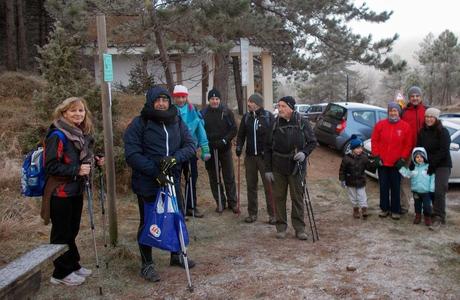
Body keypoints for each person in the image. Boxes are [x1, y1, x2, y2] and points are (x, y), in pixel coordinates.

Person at [124, 86, 196, 282]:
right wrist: (155, 172)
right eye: (158, 100)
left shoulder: (176, 120)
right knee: (148, 220)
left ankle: (176, 255)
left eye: (165, 100)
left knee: (175, 216)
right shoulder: (140, 123)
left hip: (172, 179)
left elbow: (190, 144)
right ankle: (147, 264)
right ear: (151, 102)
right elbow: (132, 154)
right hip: (147, 181)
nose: (162, 104)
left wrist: (174, 159)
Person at [43, 97, 104, 286]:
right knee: (61, 232)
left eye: (81, 110)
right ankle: (60, 273)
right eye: (73, 110)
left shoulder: (80, 134)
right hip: (59, 192)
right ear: (64, 113)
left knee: (72, 230)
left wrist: (95, 160)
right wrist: (76, 170)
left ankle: (73, 263)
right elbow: (51, 166)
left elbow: (80, 158)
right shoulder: (57, 135)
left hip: (75, 190)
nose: (78, 114)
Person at [264, 96, 316, 240]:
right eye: (278, 106)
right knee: (279, 197)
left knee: (297, 198)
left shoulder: (302, 122)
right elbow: (267, 148)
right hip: (278, 166)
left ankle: (299, 228)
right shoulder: (274, 124)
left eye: (283, 106)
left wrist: (304, 153)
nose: (279, 109)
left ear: (291, 108)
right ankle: (281, 227)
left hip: (297, 167)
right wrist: (268, 169)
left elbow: (312, 142)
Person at [236, 93, 276, 224]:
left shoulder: (268, 117)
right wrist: (239, 146)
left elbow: (274, 136)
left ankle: (273, 215)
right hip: (250, 158)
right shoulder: (247, 117)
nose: (249, 104)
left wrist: (272, 153)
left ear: (258, 104)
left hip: (265, 158)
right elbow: (241, 135)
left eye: (251, 102)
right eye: (248, 101)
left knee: (269, 186)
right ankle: (252, 214)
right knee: (251, 186)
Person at [172, 84, 211, 218]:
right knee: (175, 180)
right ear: (174, 98)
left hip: (190, 151)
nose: (181, 100)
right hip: (175, 151)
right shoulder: (171, 111)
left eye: (183, 97)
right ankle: (179, 209)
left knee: (191, 178)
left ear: (186, 97)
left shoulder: (192, 111)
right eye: (178, 97)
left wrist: (205, 148)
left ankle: (191, 206)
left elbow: (200, 130)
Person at [371, 102, 412, 220]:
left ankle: (395, 210)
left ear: (399, 112)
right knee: (383, 187)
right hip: (383, 162)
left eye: (395, 110)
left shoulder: (405, 126)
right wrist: (376, 156)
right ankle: (384, 209)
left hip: (396, 164)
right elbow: (374, 141)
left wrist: (403, 158)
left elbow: (408, 145)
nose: (393, 113)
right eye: (391, 111)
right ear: (388, 112)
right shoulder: (380, 125)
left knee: (395, 187)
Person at [201, 88, 238, 213]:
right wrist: (206, 144)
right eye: (212, 99)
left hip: (224, 148)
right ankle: (220, 202)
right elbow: (200, 130)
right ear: (209, 100)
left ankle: (233, 202)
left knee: (229, 177)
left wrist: (224, 141)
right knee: (214, 177)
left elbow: (233, 129)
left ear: (220, 100)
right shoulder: (203, 113)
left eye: (217, 99)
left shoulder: (227, 112)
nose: (215, 101)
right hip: (210, 150)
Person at [416, 107, 452, 226]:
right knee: (427, 189)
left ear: (436, 118)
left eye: (432, 117)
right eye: (427, 116)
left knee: (439, 190)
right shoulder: (422, 132)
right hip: (427, 164)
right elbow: (419, 149)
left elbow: (443, 151)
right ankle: (430, 211)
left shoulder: (443, 132)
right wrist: (415, 162)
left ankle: (439, 216)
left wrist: (432, 165)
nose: (429, 119)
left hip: (442, 165)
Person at [400, 86, 427, 214]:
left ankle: (425, 208)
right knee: (405, 179)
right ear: (409, 98)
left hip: (423, 152)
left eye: (417, 96)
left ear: (421, 97)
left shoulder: (427, 111)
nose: (415, 98)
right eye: (412, 96)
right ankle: (404, 206)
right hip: (407, 152)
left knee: (423, 180)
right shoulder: (403, 112)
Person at [399, 147, 434, 227]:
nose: (419, 159)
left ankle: (427, 217)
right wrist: (400, 167)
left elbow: (432, 177)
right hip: (416, 191)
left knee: (427, 206)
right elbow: (407, 174)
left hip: (426, 192)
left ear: (424, 157)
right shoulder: (413, 168)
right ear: (414, 158)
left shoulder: (428, 167)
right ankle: (418, 216)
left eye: (421, 157)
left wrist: (432, 189)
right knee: (417, 205)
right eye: (417, 157)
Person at [339, 135, 369, 219]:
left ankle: (364, 209)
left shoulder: (364, 157)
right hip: (350, 181)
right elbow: (342, 170)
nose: (360, 150)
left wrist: (374, 162)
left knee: (362, 195)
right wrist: (342, 179)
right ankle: (356, 210)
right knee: (353, 197)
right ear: (352, 149)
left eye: (361, 148)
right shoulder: (346, 158)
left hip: (361, 180)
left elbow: (369, 166)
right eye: (357, 148)